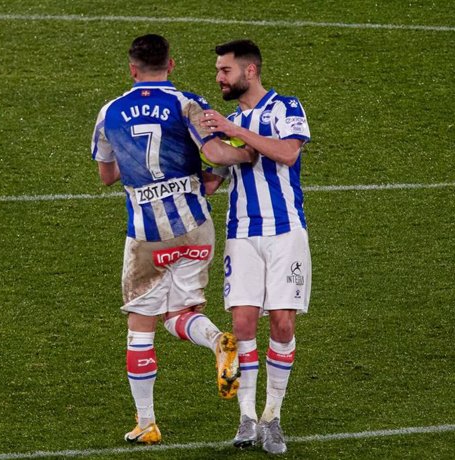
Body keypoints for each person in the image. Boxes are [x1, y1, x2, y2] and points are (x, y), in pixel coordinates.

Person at [90, 34, 256, 445]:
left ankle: (146, 423)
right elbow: (217, 155)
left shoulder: (109, 111)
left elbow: (107, 175)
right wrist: (249, 154)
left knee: (141, 325)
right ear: (172, 65)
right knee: (180, 312)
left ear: (132, 69)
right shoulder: (187, 103)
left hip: (147, 237)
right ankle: (219, 340)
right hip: (196, 227)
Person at [199, 39, 312, 455]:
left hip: (286, 231)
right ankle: (247, 418)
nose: (218, 78)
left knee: (282, 322)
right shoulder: (228, 122)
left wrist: (236, 132)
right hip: (242, 232)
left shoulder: (286, 107)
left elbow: (286, 153)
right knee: (243, 322)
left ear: (249, 71)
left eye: (224, 70)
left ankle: (272, 418)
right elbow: (216, 178)